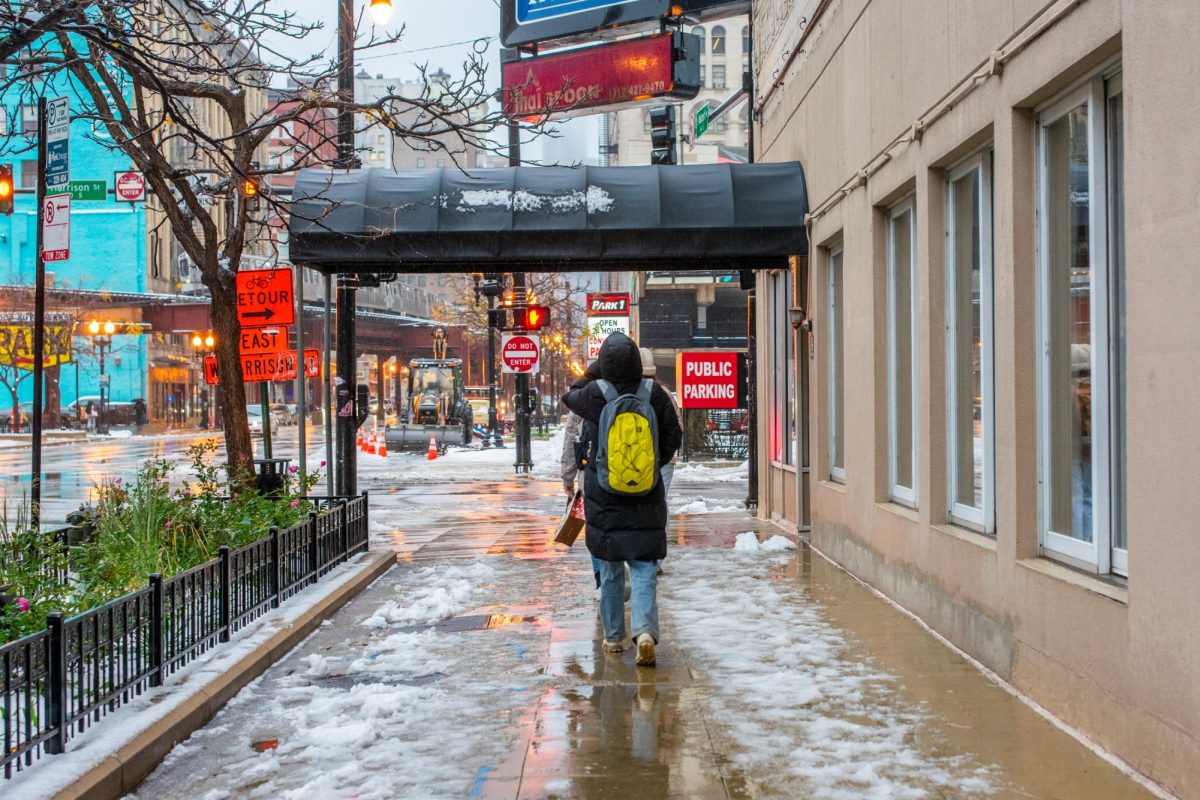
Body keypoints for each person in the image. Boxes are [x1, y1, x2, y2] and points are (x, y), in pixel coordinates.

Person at [563, 333, 682, 667]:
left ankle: (614, 637)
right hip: (647, 494)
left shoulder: (594, 394)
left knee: (612, 566)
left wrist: (591, 372)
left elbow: (567, 396)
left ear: (604, 363)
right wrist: (651, 466)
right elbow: (674, 435)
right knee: (644, 567)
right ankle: (645, 633)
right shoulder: (653, 393)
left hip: (605, 495)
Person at [560, 362, 605, 590]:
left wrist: (567, 477)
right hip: (622, 472)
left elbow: (570, 441)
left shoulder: (581, 401)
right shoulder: (627, 393)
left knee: (594, 528)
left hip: (588, 473)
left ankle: (600, 578)